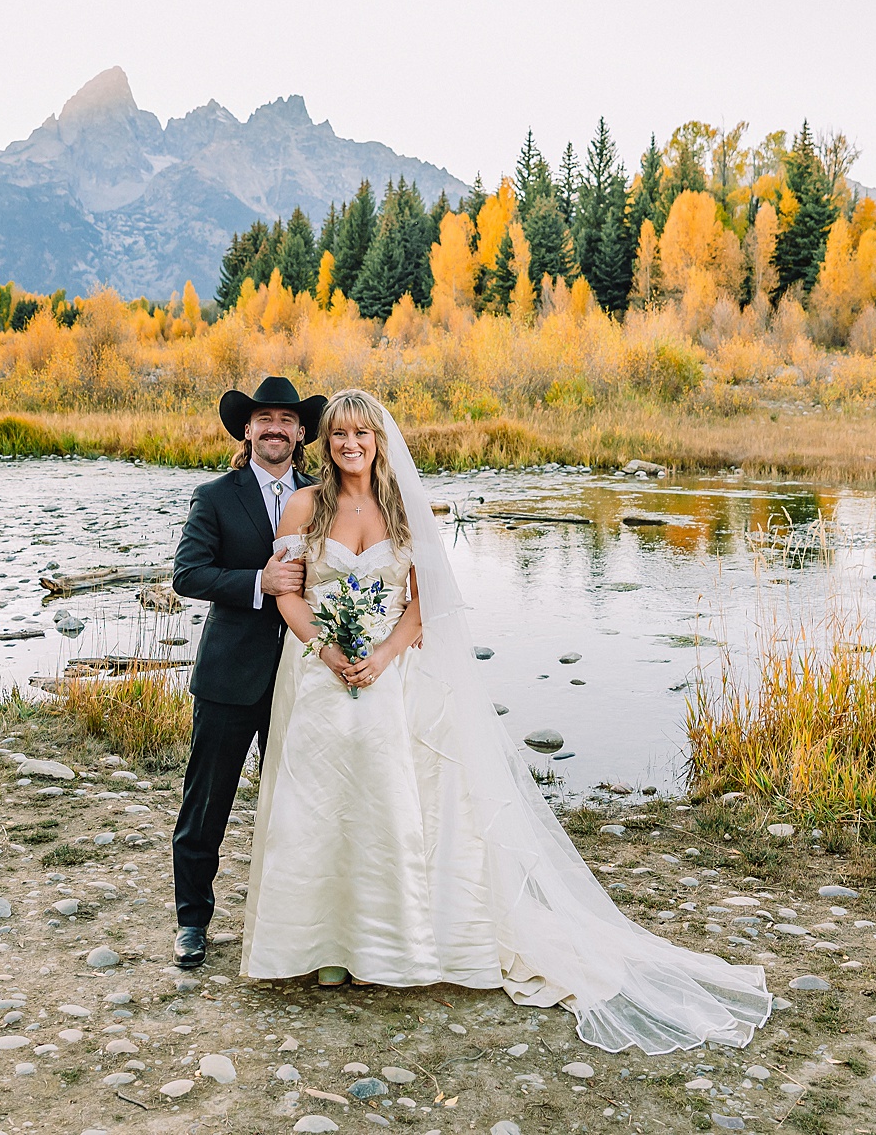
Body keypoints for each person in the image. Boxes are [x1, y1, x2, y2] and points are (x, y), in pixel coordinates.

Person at [241, 389, 774, 1054]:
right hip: (318, 678)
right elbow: (287, 591)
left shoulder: (402, 506)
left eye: (363, 434)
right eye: (340, 434)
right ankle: (321, 945)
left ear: (379, 441)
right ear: (324, 442)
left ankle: (383, 947)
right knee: (315, 806)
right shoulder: (304, 505)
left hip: (388, 677)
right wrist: (327, 649)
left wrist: (379, 654)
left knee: (387, 807)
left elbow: (423, 604)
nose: (351, 444)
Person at [168, 375, 326, 970]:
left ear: (302, 432)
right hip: (230, 677)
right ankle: (192, 921)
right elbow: (188, 575)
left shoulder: (325, 494)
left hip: (305, 677)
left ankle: (298, 926)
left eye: (287, 420)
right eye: (265, 420)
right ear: (247, 430)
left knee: (301, 803)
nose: (276, 429)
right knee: (206, 803)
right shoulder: (215, 496)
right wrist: (257, 583)